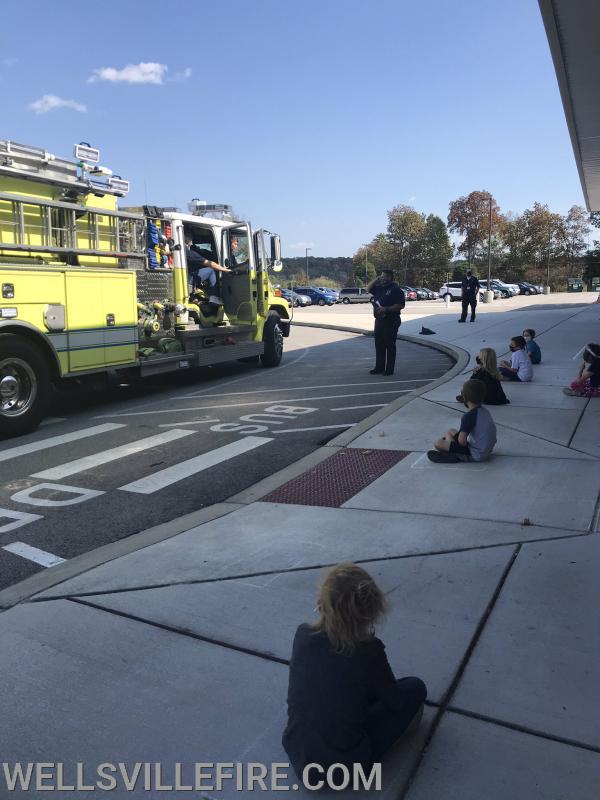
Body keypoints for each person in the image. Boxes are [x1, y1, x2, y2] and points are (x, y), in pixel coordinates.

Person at [282, 563, 427, 778]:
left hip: (298, 756)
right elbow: (395, 701)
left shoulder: (303, 635)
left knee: (336, 688)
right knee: (414, 687)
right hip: (345, 768)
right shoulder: (368, 650)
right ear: (370, 613)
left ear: (321, 603)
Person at [428, 378, 497, 463]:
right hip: (486, 450)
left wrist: (452, 443)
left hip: (476, 454)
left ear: (464, 397)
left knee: (438, 443)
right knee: (450, 431)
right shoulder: (485, 412)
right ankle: (450, 447)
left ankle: (453, 456)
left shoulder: (469, 416)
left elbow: (462, 442)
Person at [366, 270, 405, 376]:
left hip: (391, 321)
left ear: (391, 278)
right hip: (379, 321)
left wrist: (386, 309)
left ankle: (389, 369)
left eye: (385, 276)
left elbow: (400, 305)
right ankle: (379, 367)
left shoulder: (396, 290)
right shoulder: (379, 288)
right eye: (381, 276)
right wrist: (377, 279)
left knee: (390, 346)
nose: (383, 278)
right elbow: (368, 288)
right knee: (379, 345)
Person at [184, 234, 231, 303]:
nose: (192, 239)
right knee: (211, 270)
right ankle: (213, 297)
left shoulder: (182, 251)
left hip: (186, 277)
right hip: (188, 280)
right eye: (190, 238)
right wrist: (225, 269)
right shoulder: (188, 253)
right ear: (187, 240)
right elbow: (209, 263)